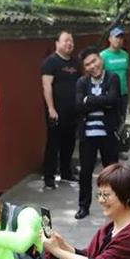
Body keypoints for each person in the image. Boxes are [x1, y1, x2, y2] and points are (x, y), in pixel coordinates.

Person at [74, 47, 121, 220]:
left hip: (107, 133)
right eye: (88, 64)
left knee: (112, 173)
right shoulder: (81, 82)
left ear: (100, 59)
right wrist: (103, 101)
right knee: (85, 172)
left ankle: (116, 205)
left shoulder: (112, 78)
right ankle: (83, 206)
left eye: (94, 61)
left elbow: (113, 100)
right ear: (85, 68)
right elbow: (78, 105)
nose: (92, 66)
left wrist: (89, 100)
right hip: (88, 135)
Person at [40, 31, 81, 190]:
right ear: (57, 43)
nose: (69, 44)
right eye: (65, 41)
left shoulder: (76, 63)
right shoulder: (50, 62)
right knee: (53, 144)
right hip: (56, 111)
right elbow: (46, 86)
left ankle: (66, 172)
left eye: (71, 41)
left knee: (69, 142)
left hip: (72, 110)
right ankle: (49, 177)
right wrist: (51, 108)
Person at [99, 26, 130, 125]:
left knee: (122, 120)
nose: (119, 40)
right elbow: (99, 76)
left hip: (123, 94)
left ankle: (121, 140)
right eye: (116, 37)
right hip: (109, 95)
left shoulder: (125, 55)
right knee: (111, 121)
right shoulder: (102, 55)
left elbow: (127, 74)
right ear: (110, 39)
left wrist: (128, 91)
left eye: (121, 38)